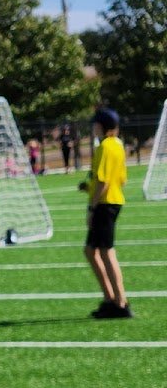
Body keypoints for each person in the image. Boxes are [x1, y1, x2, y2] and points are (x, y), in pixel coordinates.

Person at [83, 107, 130, 319]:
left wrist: (92, 208)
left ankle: (119, 302)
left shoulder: (104, 146)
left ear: (102, 126)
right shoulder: (118, 145)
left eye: (95, 124)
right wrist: (89, 188)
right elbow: (121, 179)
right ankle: (111, 299)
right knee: (92, 251)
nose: (93, 128)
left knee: (106, 252)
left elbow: (103, 181)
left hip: (105, 204)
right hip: (112, 201)